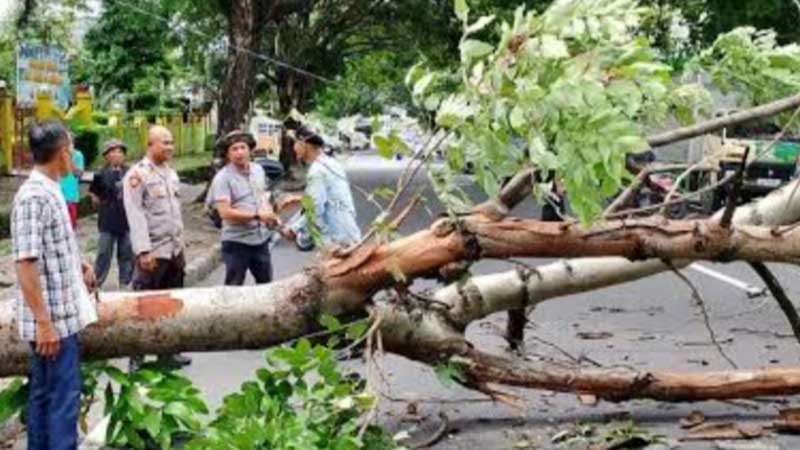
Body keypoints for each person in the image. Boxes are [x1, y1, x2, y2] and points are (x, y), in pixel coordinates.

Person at [11, 121, 97, 450]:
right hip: (53, 324)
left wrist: (79, 264)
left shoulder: (52, 188)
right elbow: (25, 262)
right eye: (71, 148)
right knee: (61, 400)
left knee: (48, 396)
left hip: (60, 317)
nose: (74, 155)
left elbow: (51, 246)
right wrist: (45, 324)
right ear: (62, 153)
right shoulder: (34, 196)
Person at [123, 126, 190, 371]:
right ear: (150, 144)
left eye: (172, 142)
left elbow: (174, 212)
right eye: (165, 142)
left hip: (174, 250)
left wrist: (182, 243)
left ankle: (168, 353)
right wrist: (143, 251)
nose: (171, 147)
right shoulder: (137, 175)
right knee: (144, 305)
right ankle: (136, 357)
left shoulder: (171, 174)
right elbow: (135, 213)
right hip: (153, 251)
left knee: (171, 304)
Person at [209, 130, 281, 285]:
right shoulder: (223, 178)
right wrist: (257, 216)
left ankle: (264, 310)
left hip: (260, 239)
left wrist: (270, 215)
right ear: (228, 154)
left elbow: (262, 197)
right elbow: (225, 213)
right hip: (237, 242)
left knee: (266, 283)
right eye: (234, 149)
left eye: (243, 147)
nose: (239, 152)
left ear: (250, 150)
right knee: (234, 287)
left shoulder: (258, 170)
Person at [281, 127, 361, 247]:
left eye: (295, 144)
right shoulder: (332, 163)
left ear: (304, 144)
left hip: (337, 239)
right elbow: (319, 201)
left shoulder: (317, 171)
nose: (294, 149)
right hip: (348, 231)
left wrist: (294, 229)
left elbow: (316, 207)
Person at [89, 139, 134, 289]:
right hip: (107, 221)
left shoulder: (130, 172)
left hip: (127, 220)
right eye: (113, 151)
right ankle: (96, 283)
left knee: (127, 253)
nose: (117, 154)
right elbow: (94, 197)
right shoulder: (100, 174)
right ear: (106, 156)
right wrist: (102, 201)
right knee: (103, 254)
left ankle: (125, 283)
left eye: (120, 152)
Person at [59, 140, 84, 228]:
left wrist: (69, 158)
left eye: (69, 143)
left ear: (73, 144)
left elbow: (79, 174)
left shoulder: (78, 155)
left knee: (70, 225)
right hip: (57, 194)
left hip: (71, 195)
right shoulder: (56, 155)